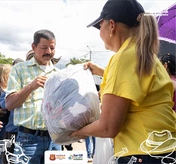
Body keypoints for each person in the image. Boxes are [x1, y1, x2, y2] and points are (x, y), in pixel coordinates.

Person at [70, 0, 176, 163]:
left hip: (142, 154)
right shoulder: (147, 57)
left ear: (111, 25)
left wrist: (75, 132)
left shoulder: (123, 58)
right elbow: (136, 86)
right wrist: (100, 71)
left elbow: (108, 127)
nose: (100, 33)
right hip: (165, 151)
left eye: (100, 26)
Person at [6, 29, 61, 164]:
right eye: (44, 47)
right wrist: (31, 86)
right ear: (33, 47)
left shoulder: (59, 74)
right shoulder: (19, 69)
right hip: (28, 139)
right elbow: (10, 104)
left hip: (55, 139)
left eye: (52, 48)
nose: (48, 51)